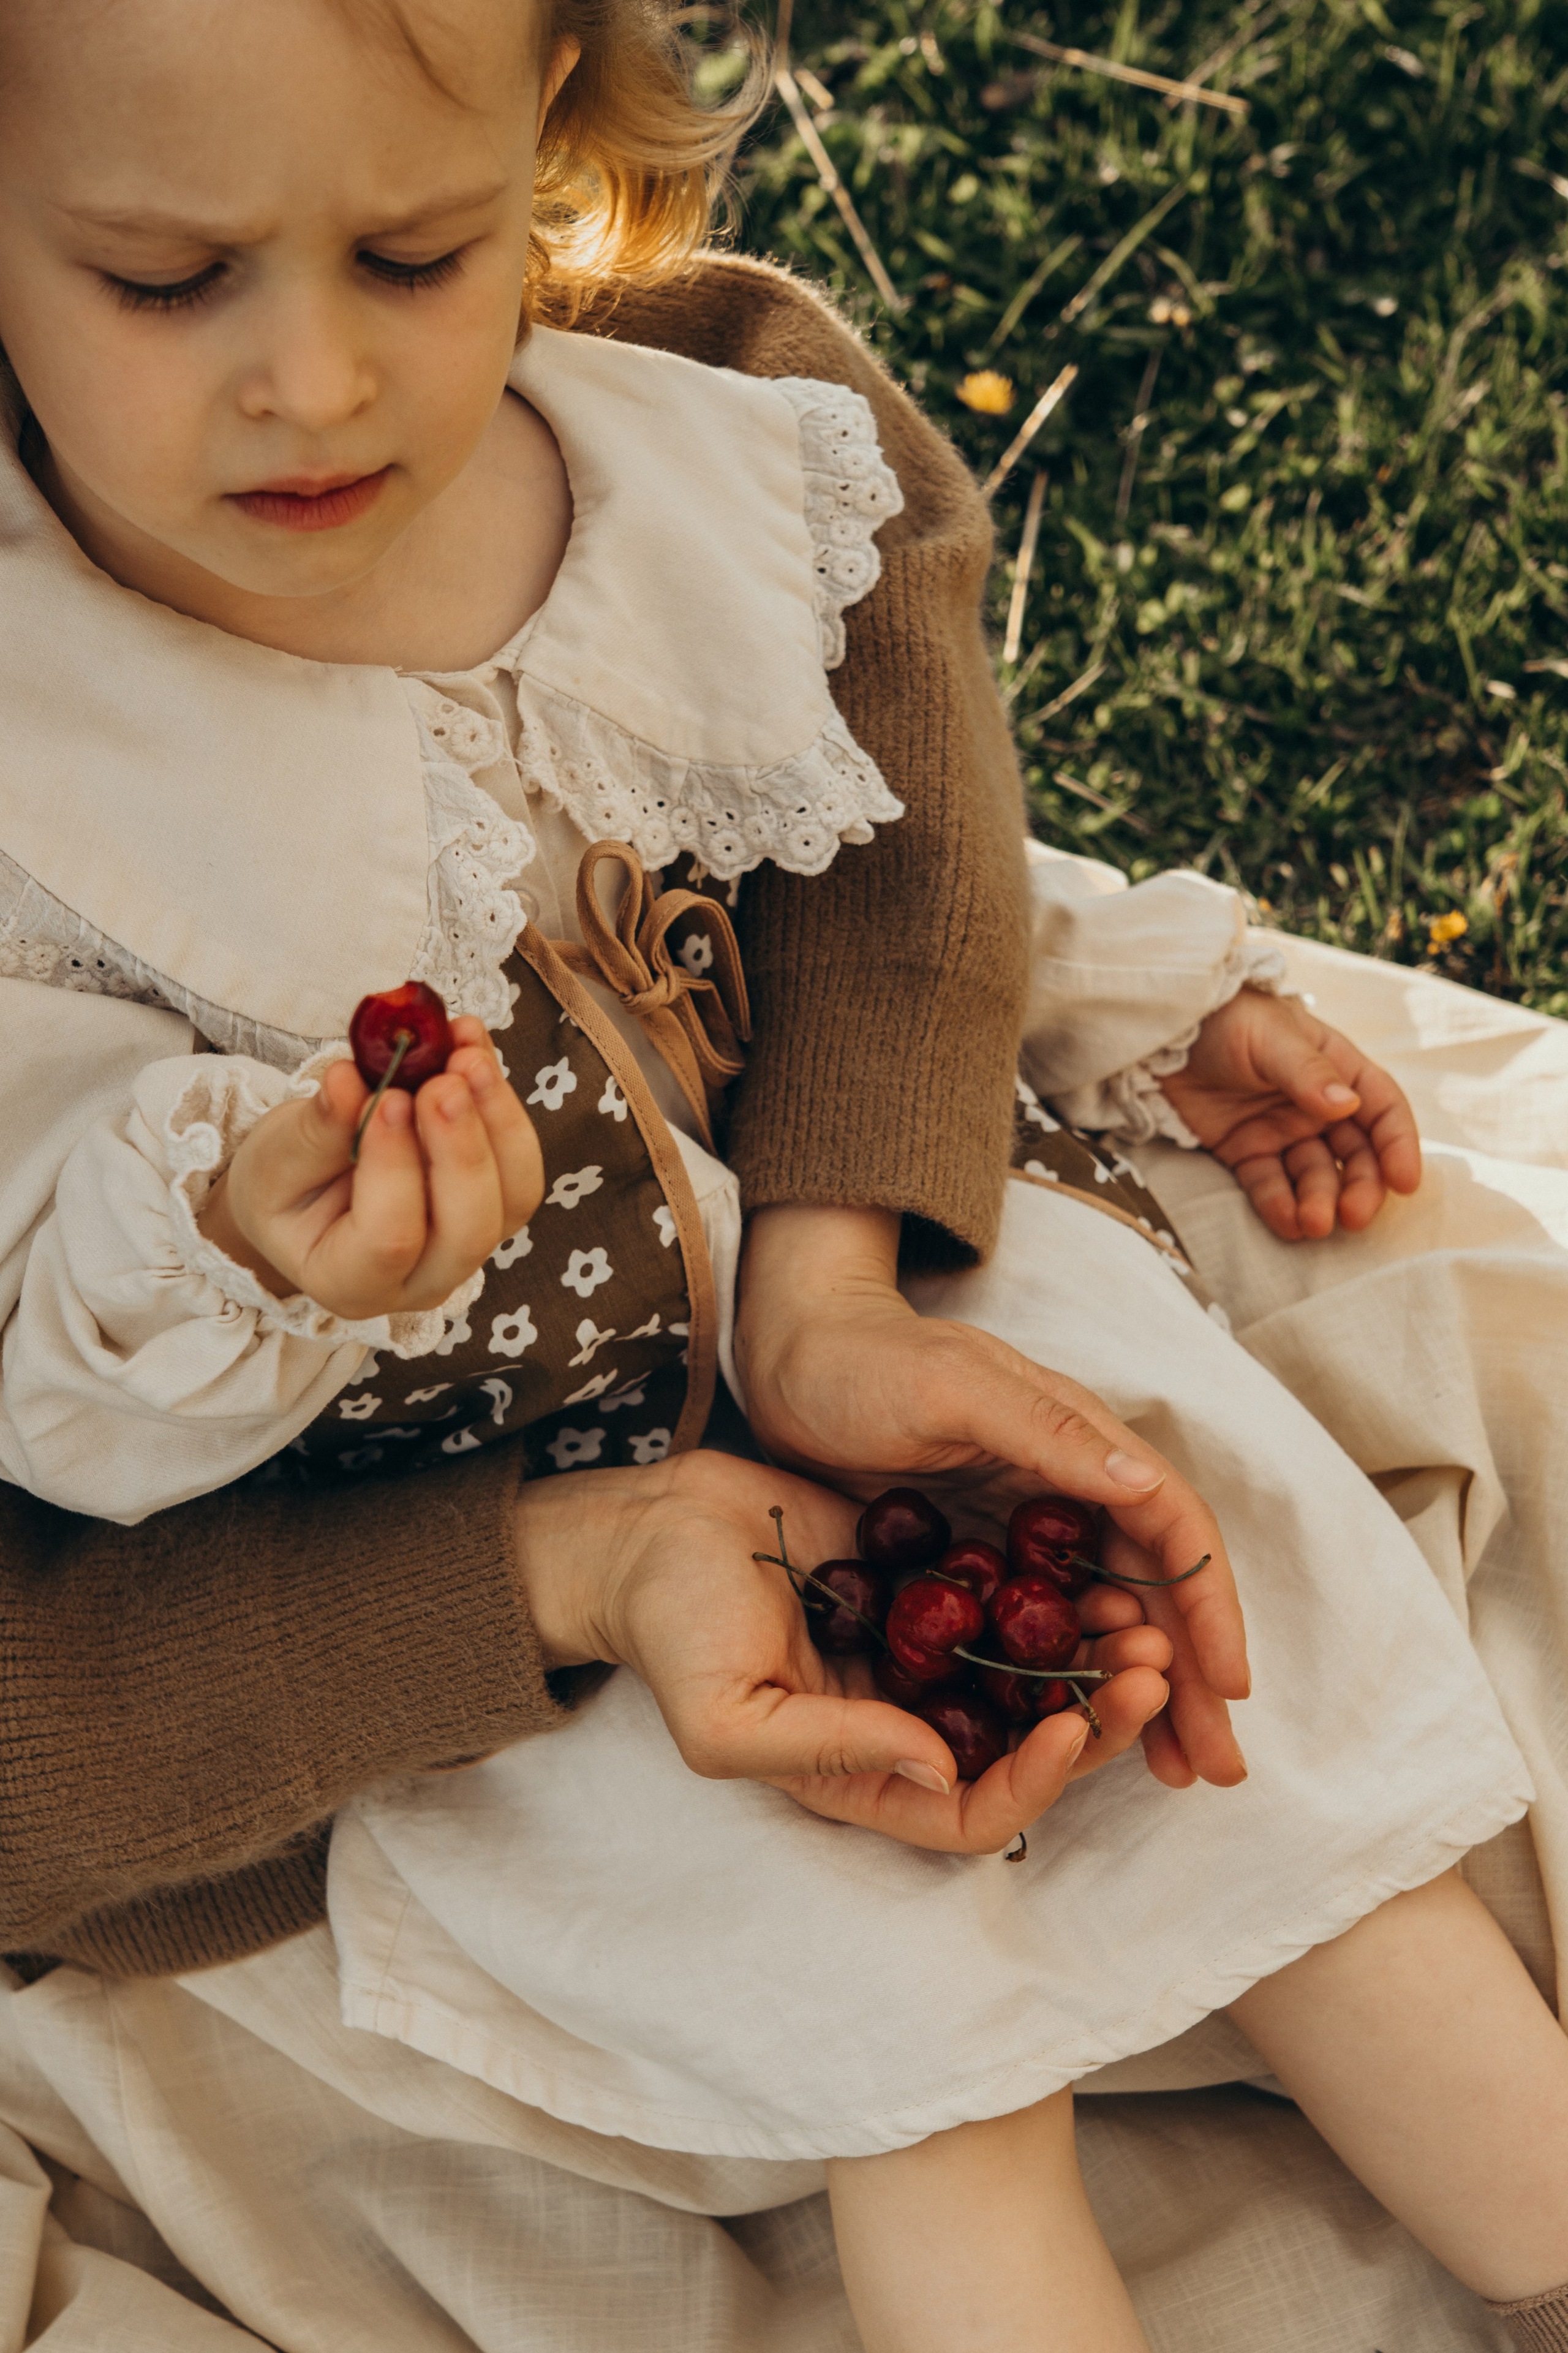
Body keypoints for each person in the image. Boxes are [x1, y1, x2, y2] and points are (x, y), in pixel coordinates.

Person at [0, 5, 1564, 2352]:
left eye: (417, 254)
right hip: (458, 1523)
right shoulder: (43, 745)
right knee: (900, 2021)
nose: (311, 380)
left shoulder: (687, 446)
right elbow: (48, 1331)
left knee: (1266, 1735)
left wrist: (829, 1278)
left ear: (549, 122)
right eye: (162, 280)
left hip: (873, 1319)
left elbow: (901, 871)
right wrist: (234, 1248)